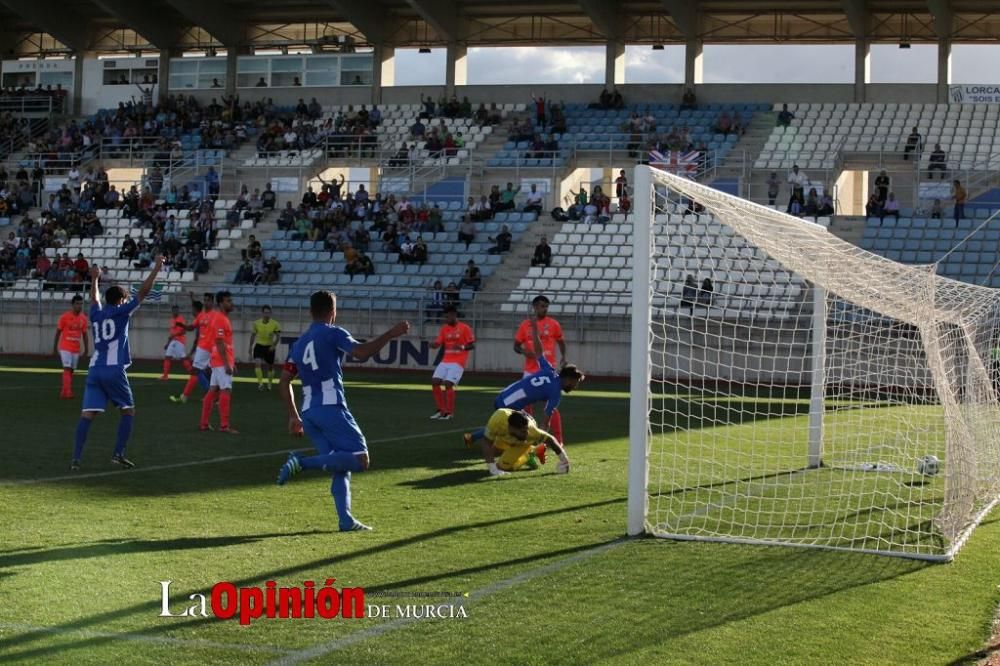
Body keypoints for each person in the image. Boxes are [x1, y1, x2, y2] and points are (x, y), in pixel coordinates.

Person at [275, 290, 410, 531]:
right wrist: (391, 333)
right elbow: (361, 353)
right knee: (361, 458)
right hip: (330, 407)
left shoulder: (299, 343)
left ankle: (345, 520)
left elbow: (284, 380)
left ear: (310, 311)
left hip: (308, 411)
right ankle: (301, 463)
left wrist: (293, 415)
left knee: (339, 463)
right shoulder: (333, 333)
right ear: (332, 312)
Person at [71, 256, 164, 470]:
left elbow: (94, 299)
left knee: (87, 415)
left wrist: (94, 279)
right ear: (121, 300)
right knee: (128, 411)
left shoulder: (96, 313)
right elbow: (143, 292)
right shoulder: (122, 311)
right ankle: (118, 453)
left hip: (94, 369)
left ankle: (76, 459)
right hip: (114, 369)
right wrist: (156, 268)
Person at [467, 317, 583, 446]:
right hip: (508, 406)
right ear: (568, 379)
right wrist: (542, 441)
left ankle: (473, 437)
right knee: (523, 429)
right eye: (575, 382)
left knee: (522, 424)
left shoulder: (549, 370)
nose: (575, 386)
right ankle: (485, 440)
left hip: (504, 394)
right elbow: (546, 422)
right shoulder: (555, 393)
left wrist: (534, 331)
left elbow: (539, 353)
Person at [467, 409, 571, 476]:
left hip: (522, 443)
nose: (526, 433)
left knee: (503, 467)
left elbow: (550, 439)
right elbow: (486, 442)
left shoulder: (531, 430)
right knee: (493, 453)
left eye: (526, 430)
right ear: (511, 428)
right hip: (504, 437)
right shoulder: (498, 419)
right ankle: (534, 450)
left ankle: (529, 455)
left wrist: (564, 460)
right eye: (522, 431)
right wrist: (492, 468)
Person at [428, 304, 476, 421]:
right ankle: (441, 410)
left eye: (448, 317)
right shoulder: (444, 328)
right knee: (435, 382)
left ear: (454, 315)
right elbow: (439, 342)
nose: (446, 319)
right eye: (445, 317)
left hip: (458, 361)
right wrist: (434, 345)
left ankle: (449, 412)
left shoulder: (465, 328)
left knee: (448, 384)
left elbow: (472, 345)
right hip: (445, 360)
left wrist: (462, 347)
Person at [199, 290, 237, 433]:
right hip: (221, 361)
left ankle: (204, 423)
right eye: (228, 301)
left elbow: (224, 343)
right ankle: (224, 426)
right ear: (221, 303)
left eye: (230, 300)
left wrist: (232, 362)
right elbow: (220, 342)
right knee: (226, 390)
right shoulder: (221, 319)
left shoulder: (221, 318)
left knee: (213, 390)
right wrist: (227, 364)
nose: (231, 303)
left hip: (217, 360)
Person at [170, 294, 214, 403]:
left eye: (208, 300)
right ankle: (213, 395)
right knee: (207, 372)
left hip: (205, 348)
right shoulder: (201, 316)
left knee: (196, 371)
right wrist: (182, 325)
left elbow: (197, 338)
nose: (206, 302)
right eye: (205, 300)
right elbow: (191, 327)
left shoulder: (214, 316)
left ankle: (186, 396)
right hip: (205, 349)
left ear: (212, 302)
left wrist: (191, 352)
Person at [514, 295, 566, 383]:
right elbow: (516, 346)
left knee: (548, 395)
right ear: (535, 307)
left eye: (546, 306)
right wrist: (524, 351)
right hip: (530, 371)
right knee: (528, 396)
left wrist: (564, 357)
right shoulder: (525, 324)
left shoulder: (554, 324)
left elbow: (561, 342)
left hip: (549, 370)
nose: (545, 309)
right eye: (542, 306)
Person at [53, 295, 90, 399]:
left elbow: (85, 335)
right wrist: (55, 347)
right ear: (72, 305)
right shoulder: (64, 317)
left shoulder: (83, 318)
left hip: (76, 349)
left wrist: (86, 349)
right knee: (67, 368)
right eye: (77, 304)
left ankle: (64, 390)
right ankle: (68, 391)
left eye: (81, 304)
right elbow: (58, 332)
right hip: (65, 347)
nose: (79, 306)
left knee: (71, 370)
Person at [249, 305, 281, 391]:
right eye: (265, 312)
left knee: (270, 366)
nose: (267, 314)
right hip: (259, 346)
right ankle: (260, 384)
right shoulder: (256, 323)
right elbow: (253, 335)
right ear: (262, 313)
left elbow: (278, 337)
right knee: (257, 363)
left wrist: (273, 345)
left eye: (268, 313)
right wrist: (250, 347)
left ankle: (269, 384)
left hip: (269, 347)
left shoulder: (275, 324)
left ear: (270, 313)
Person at [160, 305, 192, 381]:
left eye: (176, 310)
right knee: (168, 356)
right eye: (174, 310)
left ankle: (193, 374)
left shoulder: (181, 319)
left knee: (183, 358)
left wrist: (175, 335)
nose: (175, 312)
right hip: (173, 341)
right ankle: (165, 375)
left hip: (179, 341)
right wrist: (167, 344)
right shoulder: (172, 320)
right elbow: (171, 334)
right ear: (172, 311)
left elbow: (184, 331)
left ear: (178, 311)